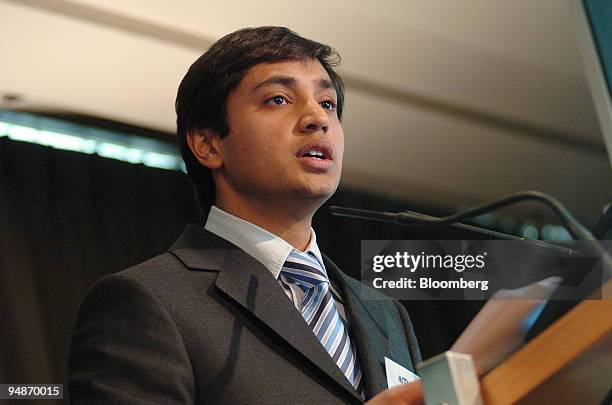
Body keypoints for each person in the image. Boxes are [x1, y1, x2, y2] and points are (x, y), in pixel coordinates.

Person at [68, 26, 424, 404]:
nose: (316, 119)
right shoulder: (147, 301)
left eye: (327, 103)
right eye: (278, 99)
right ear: (208, 145)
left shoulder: (385, 313)